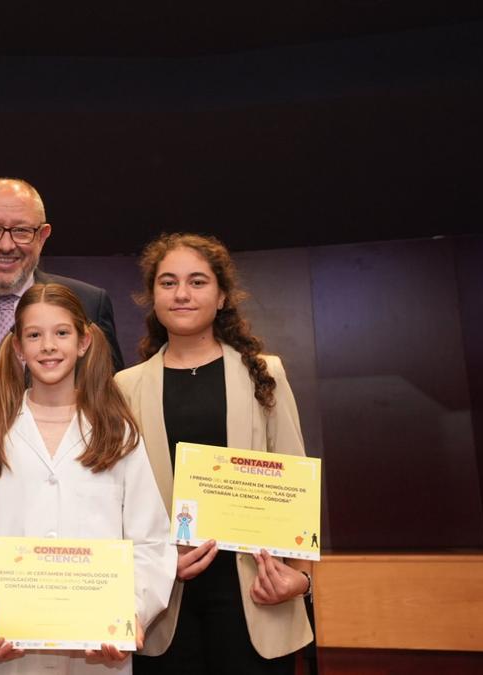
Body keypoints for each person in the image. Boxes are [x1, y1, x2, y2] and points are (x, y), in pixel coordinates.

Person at [0, 283, 175, 674]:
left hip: (99, 651)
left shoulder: (117, 433)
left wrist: (129, 615)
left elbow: (150, 540)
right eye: (34, 335)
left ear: (84, 341)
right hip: (9, 650)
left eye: (62, 333)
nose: (48, 346)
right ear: (18, 348)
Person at [114, 233, 313, 675]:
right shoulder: (125, 387)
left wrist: (300, 578)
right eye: (168, 283)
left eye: (197, 282)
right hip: (166, 600)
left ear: (222, 296)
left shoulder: (265, 372)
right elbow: (117, 500)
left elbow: (295, 477)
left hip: (255, 594)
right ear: (152, 297)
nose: (182, 294)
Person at [0, 178, 124, 411]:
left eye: (21, 231)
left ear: (42, 236)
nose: (6, 245)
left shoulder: (89, 304)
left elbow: (109, 403)